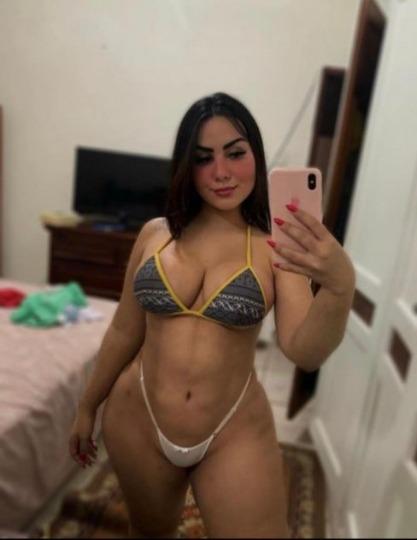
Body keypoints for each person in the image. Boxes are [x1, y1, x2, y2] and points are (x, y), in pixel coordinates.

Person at [69, 92, 355, 538]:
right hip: (138, 417)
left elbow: (305, 350)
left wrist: (339, 286)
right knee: (150, 533)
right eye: (203, 158)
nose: (221, 172)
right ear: (186, 165)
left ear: (256, 155)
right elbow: (125, 330)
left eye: (235, 154)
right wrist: (88, 405)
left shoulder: (274, 246)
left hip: (231, 429)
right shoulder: (154, 235)